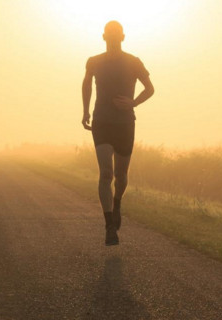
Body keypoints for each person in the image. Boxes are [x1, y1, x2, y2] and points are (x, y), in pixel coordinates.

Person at [82, 20, 154, 246]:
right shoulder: (93, 62)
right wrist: (85, 111)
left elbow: (150, 89)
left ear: (123, 38)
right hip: (102, 122)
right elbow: (86, 85)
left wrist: (133, 102)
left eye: (116, 35)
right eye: (109, 35)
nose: (113, 39)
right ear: (104, 37)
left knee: (121, 176)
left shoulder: (134, 62)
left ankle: (117, 202)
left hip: (124, 123)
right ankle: (109, 225)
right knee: (106, 173)